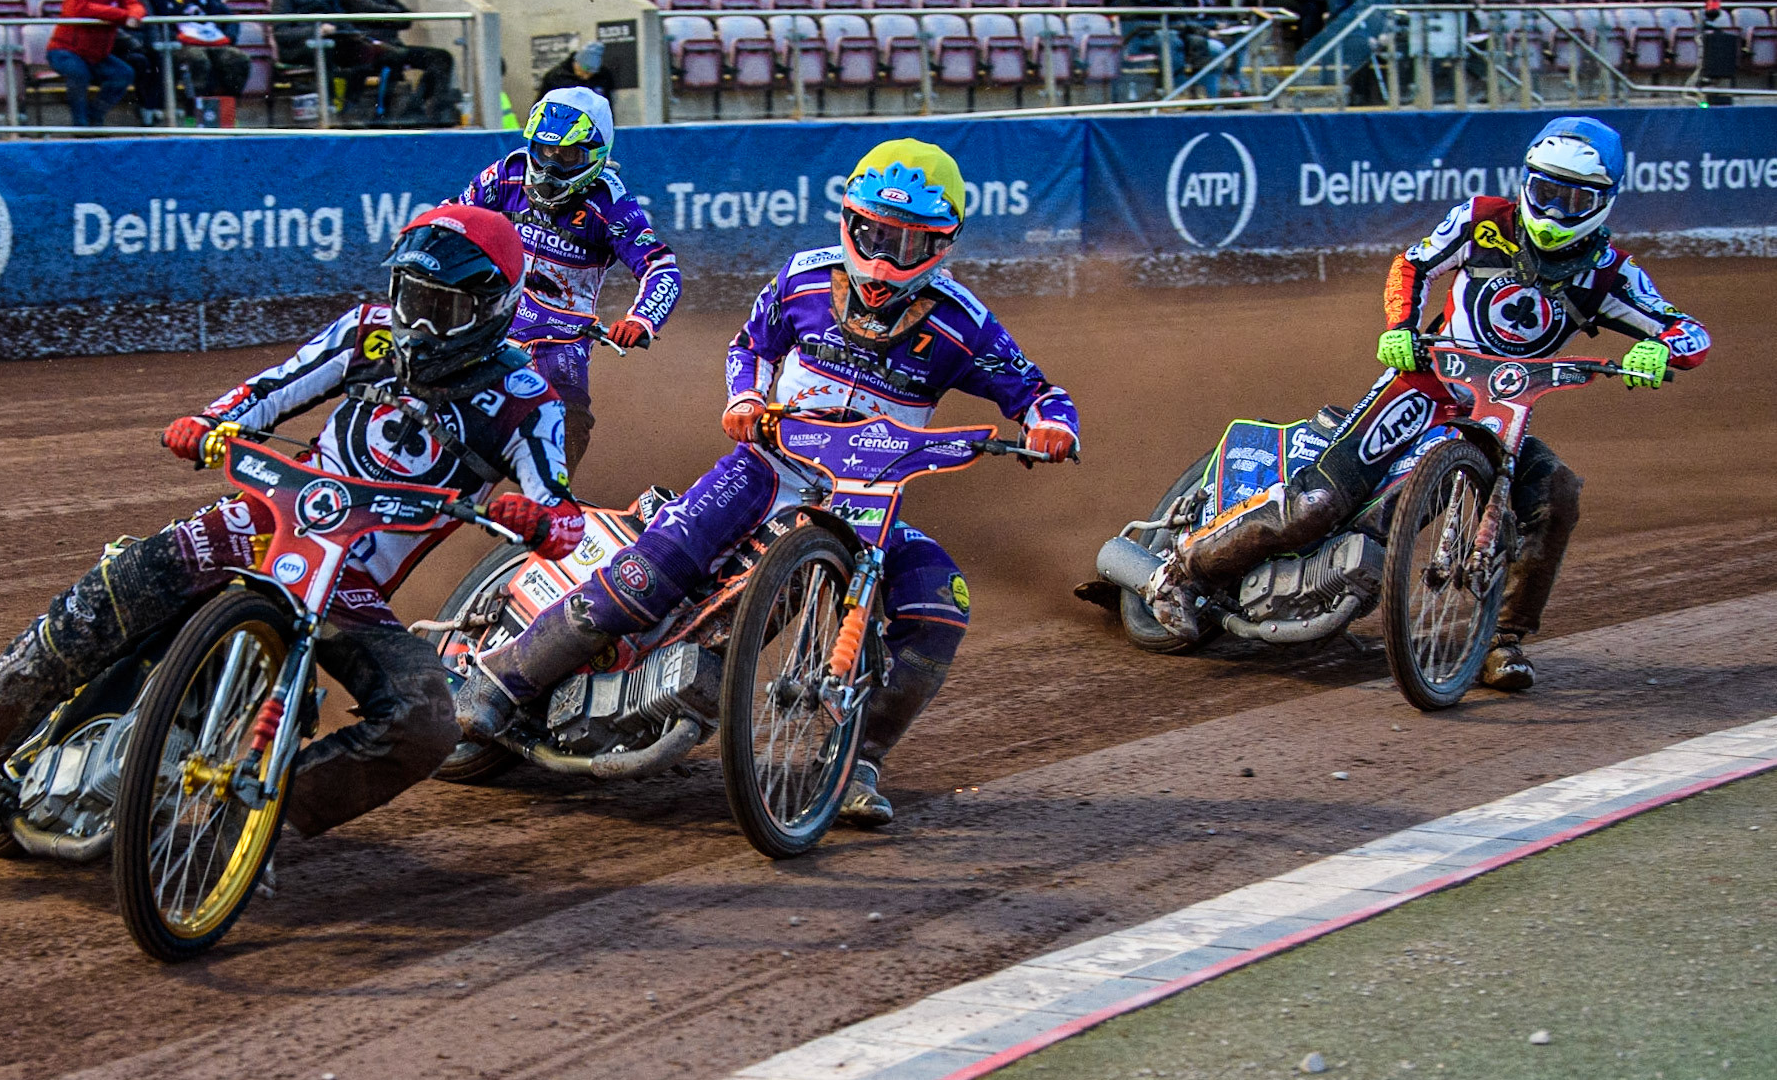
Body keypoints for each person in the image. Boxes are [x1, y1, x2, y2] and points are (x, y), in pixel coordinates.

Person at [454, 139, 1080, 826]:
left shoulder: (964, 324)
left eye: (906, 242)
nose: (883, 257)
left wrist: (1053, 424)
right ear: (848, 219)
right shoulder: (804, 278)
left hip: (867, 498)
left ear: (941, 244)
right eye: (873, 232)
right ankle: (500, 682)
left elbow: (1036, 390)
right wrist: (745, 398)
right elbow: (751, 345)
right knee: (648, 573)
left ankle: (856, 762)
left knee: (940, 604)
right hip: (765, 467)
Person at [0, 206, 584, 844]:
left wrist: (537, 521)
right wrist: (209, 422)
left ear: (493, 309)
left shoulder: (526, 403)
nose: (419, 324)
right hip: (262, 520)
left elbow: (563, 517)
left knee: (427, 723)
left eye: (443, 309)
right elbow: (268, 390)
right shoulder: (367, 332)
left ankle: (253, 818)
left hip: (347, 583)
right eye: (410, 299)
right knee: (111, 592)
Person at [1144, 116, 1711, 691]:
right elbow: (1413, 264)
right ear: (1526, 182)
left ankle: (1503, 640)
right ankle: (1181, 575)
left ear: (1604, 202)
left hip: (1502, 413)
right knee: (1319, 501)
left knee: (1556, 493)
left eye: (1575, 200)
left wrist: (1661, 351)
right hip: (1425, 385)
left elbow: (1687, 329)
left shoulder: (1611, 274)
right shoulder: (1482, 220)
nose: (1556, 211)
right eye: (1546, 191)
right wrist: (1401, 327)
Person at [456, 87, 680, 471]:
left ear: (596, 155)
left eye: (567, 155)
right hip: (492, 312)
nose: (550, 167)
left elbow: (662, 268)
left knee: (571, 418)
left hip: (561, 333)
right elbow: (453, 219)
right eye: (545, 151)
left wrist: (641, 319)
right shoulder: (507, 174)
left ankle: (553, 494)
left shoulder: (611, 205)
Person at [337, 0, 457, 123]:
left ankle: (424, 109)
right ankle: (385, 115)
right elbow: (364, 8)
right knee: (393, 56)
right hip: (367, 48)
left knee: (441, 57)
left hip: (395, 47)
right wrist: (392, 14)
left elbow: (406, 19)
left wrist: (386, 16)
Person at [46, 0, 144, 126]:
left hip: (95, 55)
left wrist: (134, 16)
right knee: (79, 73)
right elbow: (79, 9)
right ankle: (80, 125)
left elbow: (136, 6)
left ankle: (94, 117)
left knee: (123, 74)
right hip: (64, 50)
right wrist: (123, 16)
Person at [146, 0, 252, 104]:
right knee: (197, 59)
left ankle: (227, 106)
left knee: (238, 58)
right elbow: (154, 27)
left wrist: (229, 36)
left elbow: (229, 19)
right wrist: (176, 37)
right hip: (181, 44)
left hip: (213, 41)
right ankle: (196, 108)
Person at [537, 39, 613, 100]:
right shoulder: (556, 78)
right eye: (585, 71)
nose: (586, 77)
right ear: (576, 63)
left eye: (591, 74)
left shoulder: (603, 78)